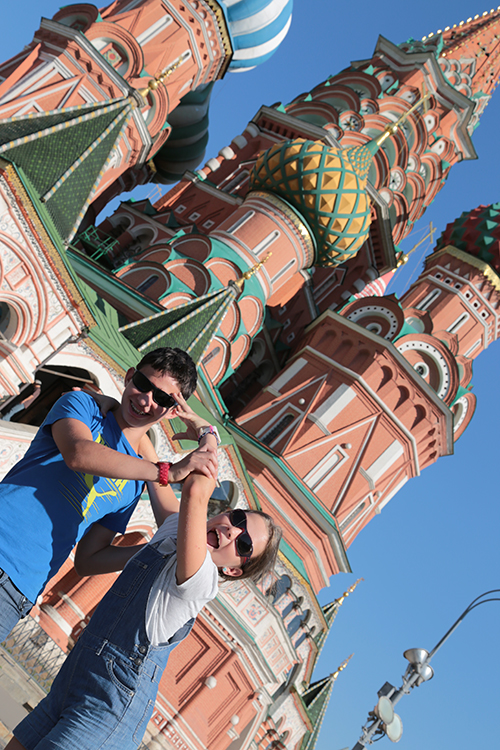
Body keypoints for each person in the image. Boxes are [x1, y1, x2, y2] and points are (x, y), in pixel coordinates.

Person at [6, 448, 282, 750]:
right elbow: (160, 481)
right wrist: (151, 436)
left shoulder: (202, 579)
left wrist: (208, 437)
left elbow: (194, 492)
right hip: (71, 679)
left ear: (233, 569)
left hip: (107, 712)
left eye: (243, 544)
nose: (232, 530)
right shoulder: (176, 530)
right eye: (238, 517)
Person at [0, 347, 219, 642]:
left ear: (171, 411)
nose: (146, 400)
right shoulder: (84, 407)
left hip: (18, 590)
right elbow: (79, 454)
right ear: (130, 376)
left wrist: (161, 556)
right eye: (143, 384)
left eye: (162, 399)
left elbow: (89, 559)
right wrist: (166, 472)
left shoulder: (135, 482)